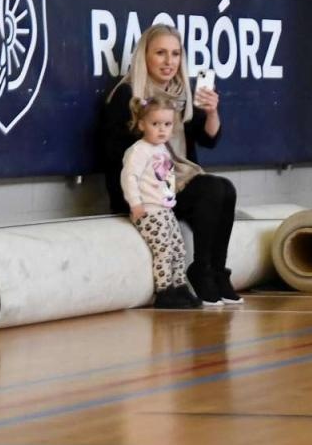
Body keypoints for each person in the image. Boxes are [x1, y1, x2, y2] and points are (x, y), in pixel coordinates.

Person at [98, 24, 240, 306]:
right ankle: (200, 270)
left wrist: (211, 112)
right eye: (160, 53)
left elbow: (208, 139)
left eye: (175, 54)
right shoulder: (128, 95)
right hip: (148, 191)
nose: (169, 61)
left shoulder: (181, 93)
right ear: (144, 56)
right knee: (211, 188)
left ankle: (215, 271)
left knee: (225, 188)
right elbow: (114, 157)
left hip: (177, 184)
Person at [120, 94, 201, 310]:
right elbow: (129, 177)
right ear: (141, 124)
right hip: (148, 211)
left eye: (167, 124)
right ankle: (165, 291)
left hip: (164, 209)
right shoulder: (139, 150)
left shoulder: (162, 149)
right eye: (155, 124)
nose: (162, 129)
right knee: (163, 249)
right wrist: (136, 203)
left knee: (178, 247)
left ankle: (179, 286)